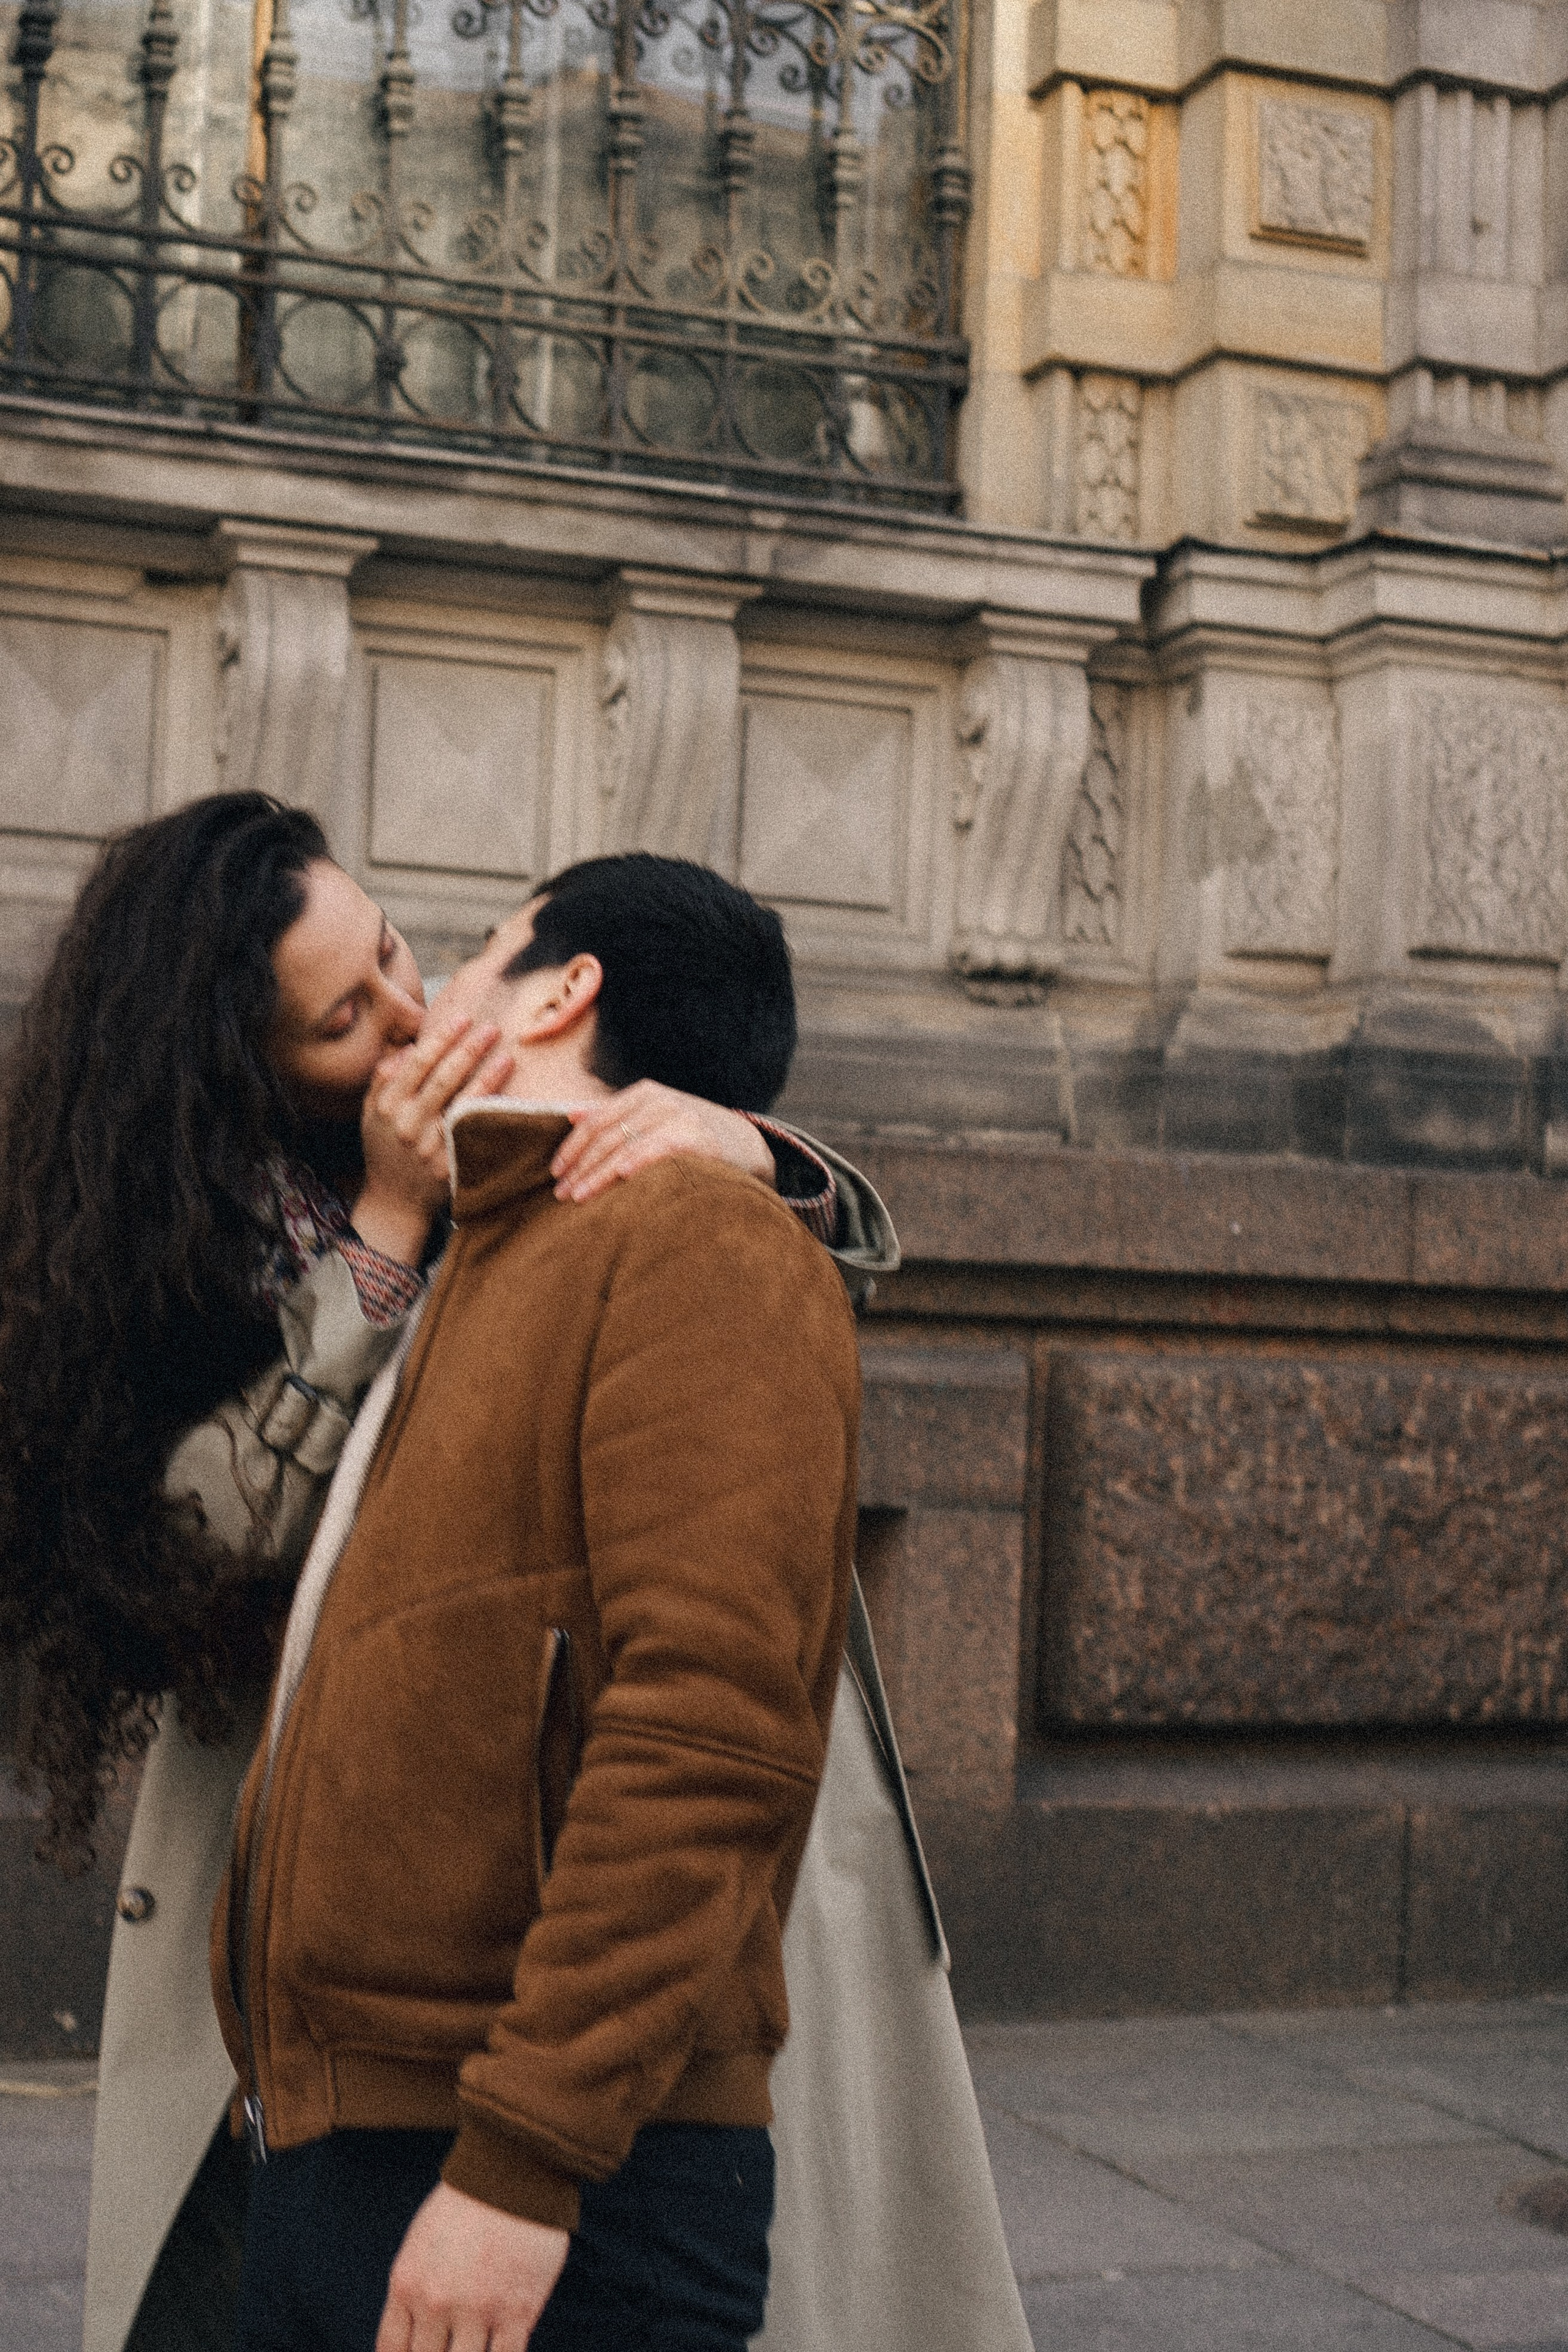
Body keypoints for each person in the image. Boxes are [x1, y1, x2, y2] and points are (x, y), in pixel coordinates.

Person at [0, 795, 897, 2352]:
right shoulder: (179, 1239)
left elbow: (701, 1715)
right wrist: (388, 1234)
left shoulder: (644, 1216)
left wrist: (750, 1145)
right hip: (292, 1978)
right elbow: (188, 1542)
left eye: (412, 952)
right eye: (346, 1015)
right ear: (243, 1064)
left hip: (546, 2007)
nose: (412, 1012)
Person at [212, 853, 863, 2349]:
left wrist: (520, 2169)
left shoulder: (696, 1236)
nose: (419, 1002)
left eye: (461, 956)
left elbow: (706, 1739)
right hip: (357, 2140)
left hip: (537, 2168)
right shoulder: (486, 1246)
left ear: (565, 989)